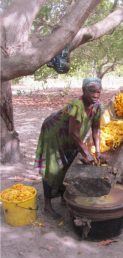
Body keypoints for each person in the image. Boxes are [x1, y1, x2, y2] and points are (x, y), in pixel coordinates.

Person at [35, 78, 102, 218]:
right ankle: (47, 205)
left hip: (70, 136)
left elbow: (96, 130)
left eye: (98, 91)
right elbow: (73, 133)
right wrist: (86, 153)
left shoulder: (97, 106)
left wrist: (98, 151)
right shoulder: (77, 106)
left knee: (67, 165)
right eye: (92, 91)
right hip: (54, 133)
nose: (96, 95)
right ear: (83, 91)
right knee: (53, 168)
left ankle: (63, 196)